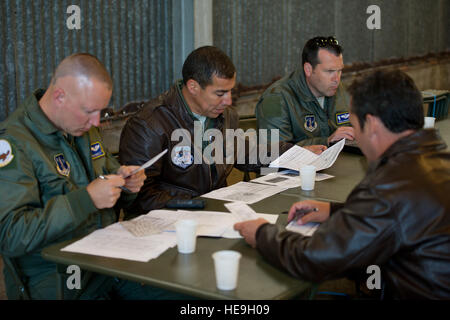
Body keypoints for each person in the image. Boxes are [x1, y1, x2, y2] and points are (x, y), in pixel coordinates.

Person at [235, 69, 450, 299]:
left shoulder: (389, 186)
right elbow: (397, 216)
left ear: (372, 125)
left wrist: (262, 234)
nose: (355, 136)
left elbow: (316, 258)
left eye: (355, 126)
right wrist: (338, 211)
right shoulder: (435, 160)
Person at [0, 53, 182, 299]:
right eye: (89, 111)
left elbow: (109, 185)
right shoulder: (14, 143)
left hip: (107, 264)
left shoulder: (83, 128)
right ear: (59, 97)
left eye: (100, 111)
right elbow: (11, 235)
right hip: (61, 280)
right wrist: (86, 199)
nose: (96, 121)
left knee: (184, 292)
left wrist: (125, 185)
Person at [119, 46, 324, 217]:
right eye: (220, 93)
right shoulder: (149, 125)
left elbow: (245, 151)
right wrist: (198, 204)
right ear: (193, 87)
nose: (228, 101)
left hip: (215, 216)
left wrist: (296, 152)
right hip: (171, 223)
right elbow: (139, 196)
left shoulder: (224, 116)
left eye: (230, 91)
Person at [255, 36, 355, 147]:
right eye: (329, 71)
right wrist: (326, 141)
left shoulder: (343, 91)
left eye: (340, 71)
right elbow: (273, 151)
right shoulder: (275, 99)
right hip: (296, 164)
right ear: (308, 69)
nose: (336, 79)